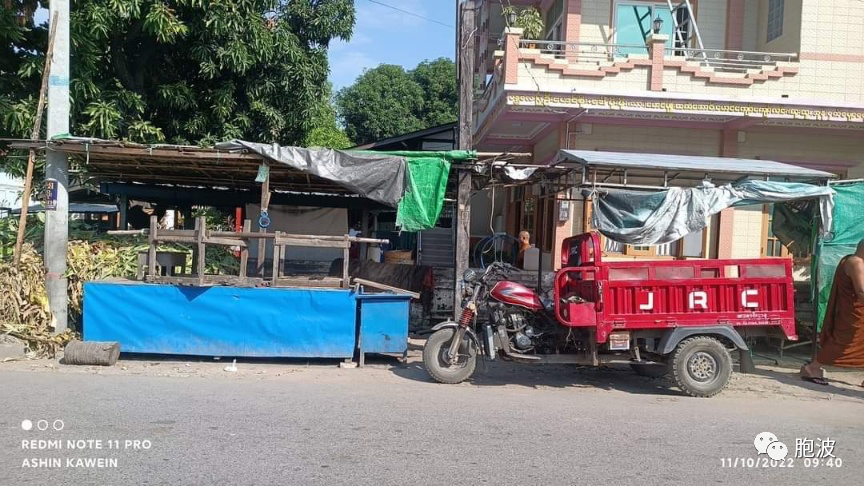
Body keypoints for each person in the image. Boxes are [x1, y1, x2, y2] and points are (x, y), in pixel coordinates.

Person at [800, 239, 864, 387]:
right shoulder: (856, 263)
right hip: (855, 314)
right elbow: (861, 292)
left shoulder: (852, 260)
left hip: (858, 311)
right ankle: (812, 368)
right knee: (845, 342)